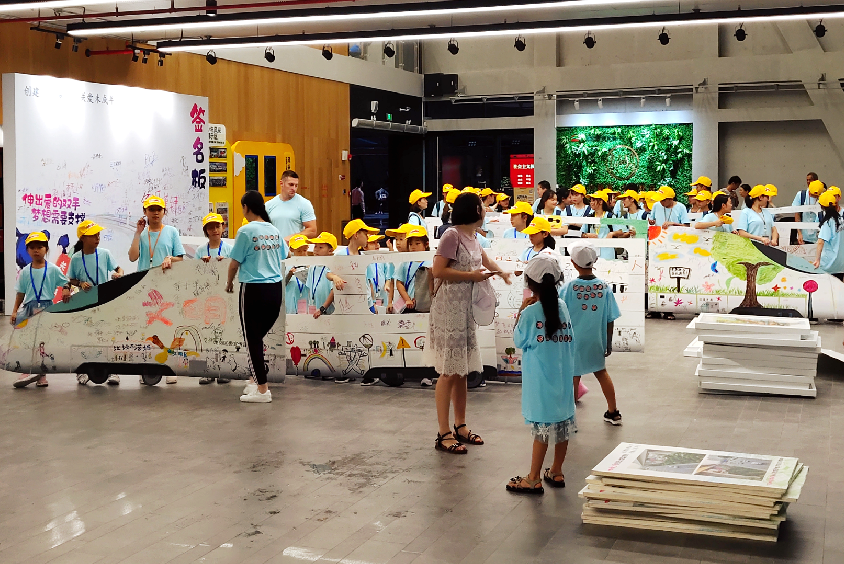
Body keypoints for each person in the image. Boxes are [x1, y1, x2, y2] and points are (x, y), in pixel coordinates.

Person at [429, 192, 511, 454]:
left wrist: (502, 273)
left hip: (466, 308)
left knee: (462, 369)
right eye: (482, 206)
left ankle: (460, 425)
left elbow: (485, 260)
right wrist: (471, 276)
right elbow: (438, 270)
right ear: (474, 210)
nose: (485, 210)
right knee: (449, 370)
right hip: (449, 308)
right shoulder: (452, 235)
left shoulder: (474, 236)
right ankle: (443, 433)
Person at [506, 255, 576, 494]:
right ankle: (556, 470)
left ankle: (533, 477)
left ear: (530, 283)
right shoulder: (562, 307)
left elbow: (518, 339)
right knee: (563, 424)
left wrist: (521, 310)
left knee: (542, 428)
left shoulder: (530, 313)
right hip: (563, 378)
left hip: (540, 380)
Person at [225, 191, 286, 403]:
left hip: (253, 289)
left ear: (246, 207)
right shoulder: (274, 230)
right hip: (275, 290)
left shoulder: (246, 231)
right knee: (257, 338)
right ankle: (255, 381)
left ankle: (262, 390)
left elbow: (234, 263)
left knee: (252, 340)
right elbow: (285, 254)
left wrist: (229, 283)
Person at [559, 244, 622, 425]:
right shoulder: (604, 287)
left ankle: (568, 416)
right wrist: (608, 343)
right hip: (596, 340)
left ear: (573, 263)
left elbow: (559, 315)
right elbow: (610, 318)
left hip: (573, 341)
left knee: (573, 375)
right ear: (595, 261)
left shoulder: (568, 288)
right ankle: (613, 412)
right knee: (601, 372)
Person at [128, 195, 186, 384]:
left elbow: (180, 258)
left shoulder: (171, 231)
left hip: (166, 286)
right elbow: (132, 257)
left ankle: (170, 368)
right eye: (151, 209)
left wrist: (170, 258)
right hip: (145, 287)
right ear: (145, 212)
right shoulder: (142, 234)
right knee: (147, 328)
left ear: (164, 212)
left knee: (169, 326)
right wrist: (137, 233)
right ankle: (146, 368)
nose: (155, 213)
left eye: (158, 209)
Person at [10, 232, 72, 389]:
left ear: (46, 249)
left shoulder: (53, 269)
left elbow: (66, 282)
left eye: (40, 247)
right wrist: (15, 311)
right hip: (29, 308)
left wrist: (66, 288)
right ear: (27, 250)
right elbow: (20, 293)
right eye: (32, 248)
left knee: (43, 343)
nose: (36, 250)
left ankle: (42, 375)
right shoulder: (25, 272)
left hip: (47, 308)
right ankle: (27, 370)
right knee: (28, 340)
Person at [69, 221, 124, 385]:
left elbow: (119, 269)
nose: (97, 238)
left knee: (107, 335)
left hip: (104, 300)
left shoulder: (105, 254)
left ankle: (113, 371)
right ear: (83, 238)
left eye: (98, 234)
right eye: (93, 235)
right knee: (84, 336)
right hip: (85, 302)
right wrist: (80, 283)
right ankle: (82, 371)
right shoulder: (76, 258)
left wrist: (119, 275)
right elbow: (71, 279)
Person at [265, 170, 318, 241]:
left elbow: (312, 230)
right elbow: (263, 228)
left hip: (294, 247)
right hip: (275, 246)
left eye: (296, 185)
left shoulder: (304, 204)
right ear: (281, 183)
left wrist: (293, 237)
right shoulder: (269, 205)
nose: (294, 188)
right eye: (291, 184)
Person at [581, 191, 631, 261]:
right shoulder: (589, 217)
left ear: (601, 202)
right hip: (592, 251)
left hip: (607, 252)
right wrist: (587, 235)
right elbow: (582, 233)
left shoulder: (610, 216)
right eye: (591, 200)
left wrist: (612, 233)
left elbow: (621, 231)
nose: (591, 203)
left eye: (593, 200)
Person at [813, 191, 844, 279]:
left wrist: (817, 259)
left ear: (822, 207)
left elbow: (821, 242)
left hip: (828, 263)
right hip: (840, 263)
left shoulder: (827, 223)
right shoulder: (841, 220)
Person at [284, 234, 310, 315]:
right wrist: (289, 274)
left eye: (304, 250)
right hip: (291, 302)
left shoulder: (311, 265)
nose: (302, 253)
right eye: (299, 251)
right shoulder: (286, 265)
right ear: (291, 250)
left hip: (307, 301)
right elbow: (282, 284)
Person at [794, 179, 825, 245]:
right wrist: (799, 233)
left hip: (818, 236)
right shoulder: (801, 195)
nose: (815, 196)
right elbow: (797, 214)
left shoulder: (823, 197)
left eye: (817, 195)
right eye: (813, 195)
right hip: (804, 236)